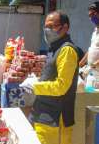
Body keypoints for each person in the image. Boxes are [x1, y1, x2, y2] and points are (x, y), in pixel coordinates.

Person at [21, 11, 80, 144]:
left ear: (65, 27)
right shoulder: (54, 48)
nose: (47, 30)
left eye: (51, 26)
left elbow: (61, 86)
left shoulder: (67, 50)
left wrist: (35, 86)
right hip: (41, 113)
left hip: (55, 118)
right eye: (46, 26)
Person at [79, 1, 99, 68]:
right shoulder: (95, 31)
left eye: (93, 14)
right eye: (90, 15)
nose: (91, 17)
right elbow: (92, 49)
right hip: (93, 72)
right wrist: (81, 63)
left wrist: (94, 65)